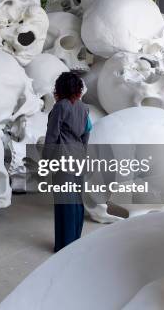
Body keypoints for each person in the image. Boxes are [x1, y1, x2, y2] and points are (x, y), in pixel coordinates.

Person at [44, 71, 92, 252]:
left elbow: (52, 135)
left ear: (60, 88)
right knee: (77, 202)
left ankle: (63, 246)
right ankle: (75, 243)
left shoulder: (60, 107)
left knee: (64, 202)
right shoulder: (84, 108)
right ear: (78, 89)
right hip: (79, 158)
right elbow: (87, 133)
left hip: (62, 159)